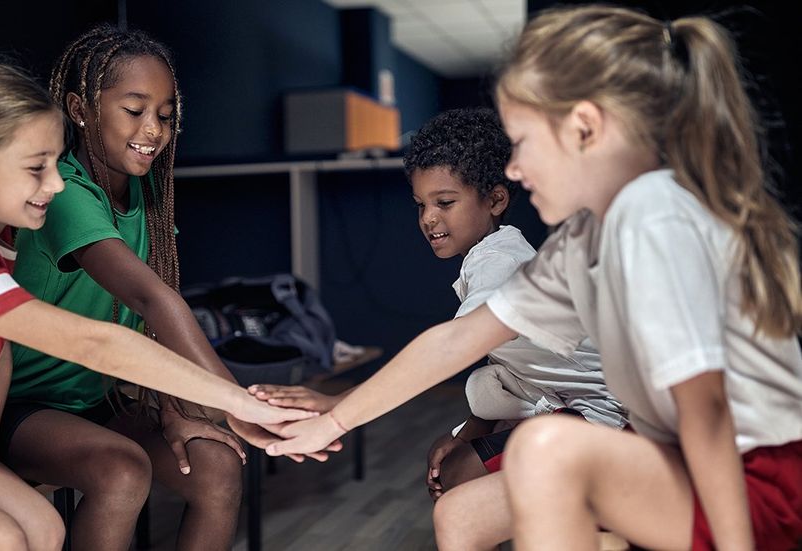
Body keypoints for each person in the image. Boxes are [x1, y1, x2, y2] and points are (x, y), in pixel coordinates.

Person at [267, 5, 802, 550]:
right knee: (465, 514)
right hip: (671, 458)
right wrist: (336, 417)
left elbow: (707, 412)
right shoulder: (585, 238)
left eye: (522, 142)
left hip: (751, 481)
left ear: (584, 128)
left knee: (542, 448)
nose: (515, 169)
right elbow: (456, 341)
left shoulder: (653, 214)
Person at [0, 59, 310, 551]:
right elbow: (96, 344)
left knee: (45, 528)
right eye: (37, 168)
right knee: (0, 538)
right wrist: (238, 402)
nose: (56, 184)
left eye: (56, 164)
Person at [0, 25, 332, 551]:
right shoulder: (63, 189)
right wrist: (238, 403)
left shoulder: (147, 189)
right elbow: (151, 298)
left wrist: (173, 406)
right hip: (21, 407)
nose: (153, 129)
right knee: (122, 472)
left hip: (97, 399)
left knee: (218, 467)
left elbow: (147, 323)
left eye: (166, 115)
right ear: (80, 109)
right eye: (135, 110)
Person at [251, 108, 626, 500]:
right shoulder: (498, 253)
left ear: (496, 199)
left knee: (459, 483)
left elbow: (450, 347)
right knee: (456, 469)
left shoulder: (499, 262)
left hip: (608, 420)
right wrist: (466, 433)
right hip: (574, 407)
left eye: (444, 202)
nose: (428, 218)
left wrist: (337, 408)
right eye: (421, 204)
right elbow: (517, 370)